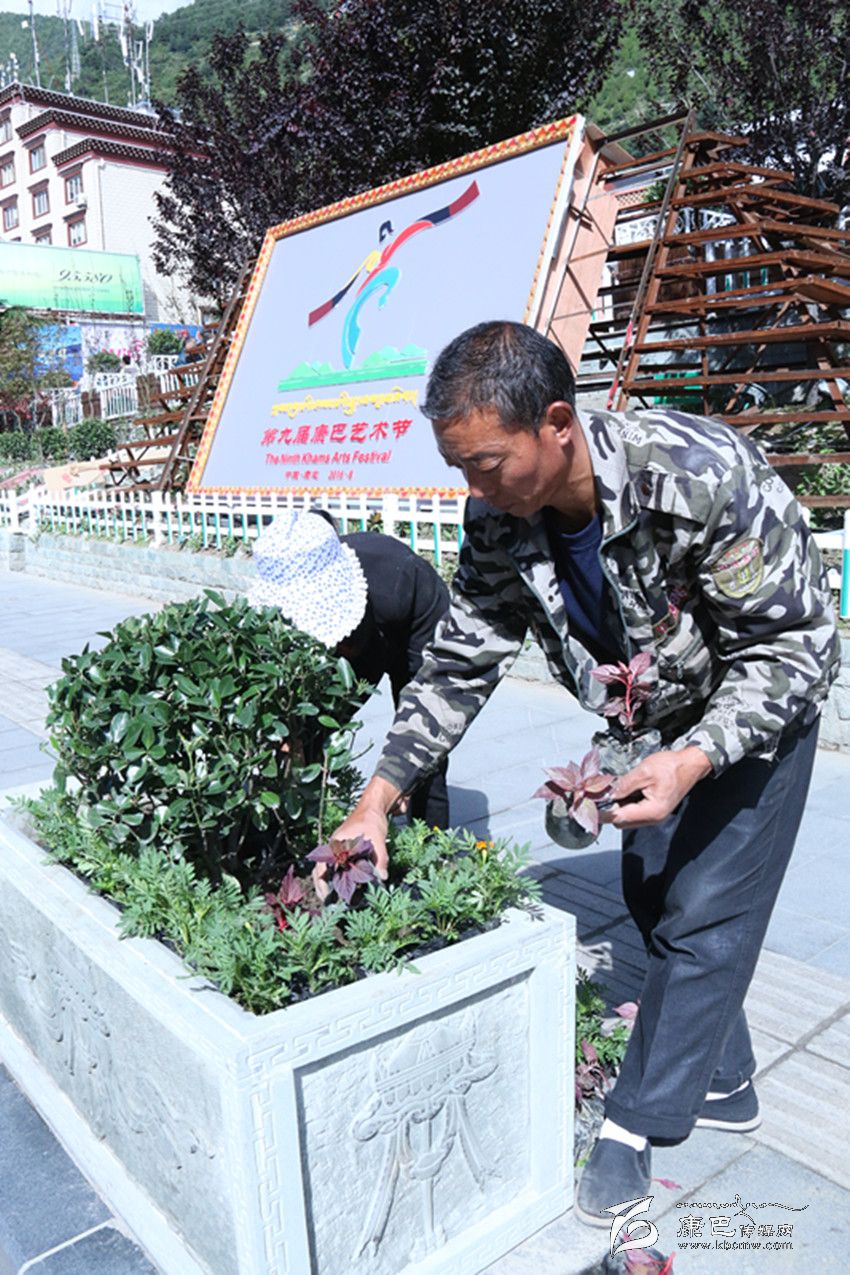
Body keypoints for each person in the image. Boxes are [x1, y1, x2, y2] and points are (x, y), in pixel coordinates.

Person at [330, 320, 840, 1225]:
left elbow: (796, 645)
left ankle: (637, 1122)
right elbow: (459, 662)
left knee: (706, 908)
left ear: (557, 424)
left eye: (486, 463)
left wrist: (695, 758)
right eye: (459, 467)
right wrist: (378, 798)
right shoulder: (499, 517)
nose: (474, 487)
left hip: (754, 713)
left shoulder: (696, 473)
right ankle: (726, 1077)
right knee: (650, 889)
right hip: (650, 722)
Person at [248, 509, 451, 827]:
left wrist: (402, 776)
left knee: (426, 743)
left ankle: (434, 842)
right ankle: (300, 827)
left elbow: (429, 707)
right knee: (307, 731)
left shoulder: (399, 582)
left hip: (416, 625)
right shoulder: (287, 604)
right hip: (359, 642)